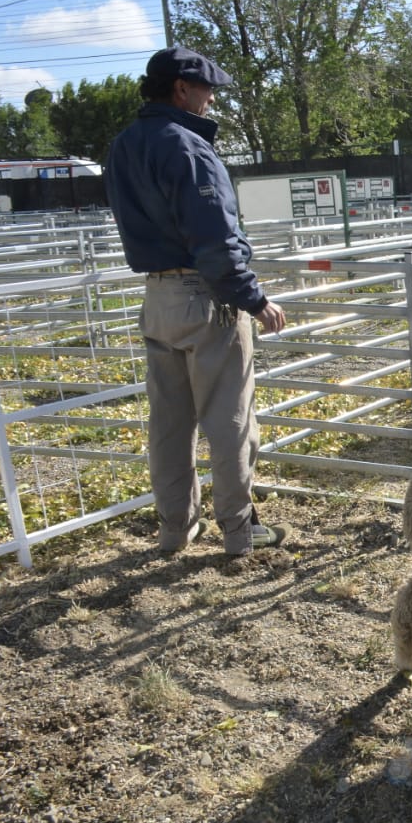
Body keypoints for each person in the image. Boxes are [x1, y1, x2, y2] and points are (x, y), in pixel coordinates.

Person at [105, 46, 288, 557]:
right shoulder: (187, 146)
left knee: (168, 421)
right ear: (182, 89)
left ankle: (175, 528)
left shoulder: (123, 146)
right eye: (206, 90)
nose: (211, 100)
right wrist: (251, 297)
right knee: (230, 418)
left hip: (157, 297)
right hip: (204, 296)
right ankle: (238, 530)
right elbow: (213, 235)